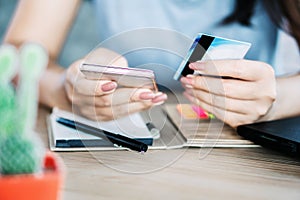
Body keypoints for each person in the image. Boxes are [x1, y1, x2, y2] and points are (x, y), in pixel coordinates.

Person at [3, 0, 300, 127]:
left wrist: (278, 99)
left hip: (244, 152)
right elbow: (16, 54)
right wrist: (66, 90)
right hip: (132, 145)